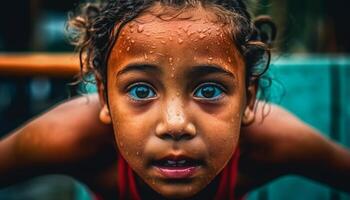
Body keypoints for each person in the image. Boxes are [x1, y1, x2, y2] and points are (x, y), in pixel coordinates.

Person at [0, 0, 349, 199]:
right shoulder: (72, 137)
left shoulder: (271, 142)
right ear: (104, 98)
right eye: (141, 91)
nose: (176, 124)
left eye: (209, 90)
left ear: (248, 101)